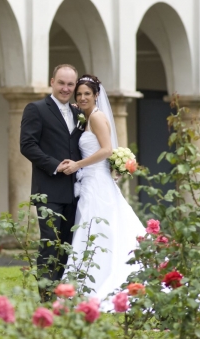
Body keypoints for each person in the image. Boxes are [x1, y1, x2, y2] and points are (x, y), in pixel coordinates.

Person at [60, 74, 145, 301]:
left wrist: (78, 164)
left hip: (96, 181)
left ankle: (93, 283)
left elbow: (107, 150)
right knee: (92, 228)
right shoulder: (86, 118)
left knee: (95, 228)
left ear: (97, 95)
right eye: (79, 94)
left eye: (87, 93)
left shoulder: (96, 118)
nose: (82, 97)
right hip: (90, 180)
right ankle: (86, 281)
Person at [20, 64, 83, 301]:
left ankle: (62, 294)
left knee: (68, 244)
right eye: (61, 83)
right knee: (50, 244)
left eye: (70, 84)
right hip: (48, 189)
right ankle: (46, 298)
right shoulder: (36, 109)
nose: (66, 88)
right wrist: (56, 165)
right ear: (52, 82)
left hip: (76, 191)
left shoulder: (79, 113)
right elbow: (27, 145)